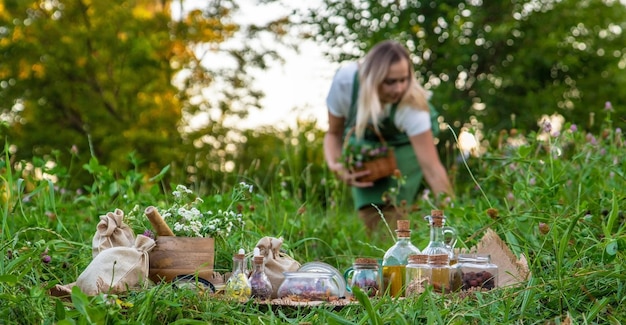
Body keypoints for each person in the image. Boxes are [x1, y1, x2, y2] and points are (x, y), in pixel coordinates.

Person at [323, 40, 453, 233]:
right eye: (390, 82)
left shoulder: (412, 108)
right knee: (372, 216)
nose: (399, 89)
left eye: (404, 79)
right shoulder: (346, 83)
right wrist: (337, 166)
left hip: (406, 143)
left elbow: (432, 168)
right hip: (367, 139)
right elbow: (333, 134)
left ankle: (411, 242)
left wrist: (454, 216)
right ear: (372, 79)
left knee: (393, 210)